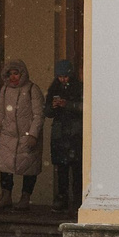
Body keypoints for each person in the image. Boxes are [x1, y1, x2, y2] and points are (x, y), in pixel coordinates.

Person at [0, 58, 44, 209]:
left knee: (29, 168)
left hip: (26, 136)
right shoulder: (5, 90)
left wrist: (33, 135)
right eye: (10, 74)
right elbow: (0, 113)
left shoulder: (32, 89)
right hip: (8, 136)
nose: (13, 77)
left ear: (23, 74)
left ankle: (25, 198)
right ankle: (6, 196)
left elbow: (39, 115)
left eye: (16, 73)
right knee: (5, 167)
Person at [46, 59, 84, 212]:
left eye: (65, 76)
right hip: (60, 134)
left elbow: (84, 108)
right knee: (61, 168)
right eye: (60, 77)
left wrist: (67, 105)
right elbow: (47, 111)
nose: (63, 79)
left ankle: (77, 199)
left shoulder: (79, 88)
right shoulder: (53, 89)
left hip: (74, 133)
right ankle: (62, 197)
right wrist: (53, 107)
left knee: (77, 168)